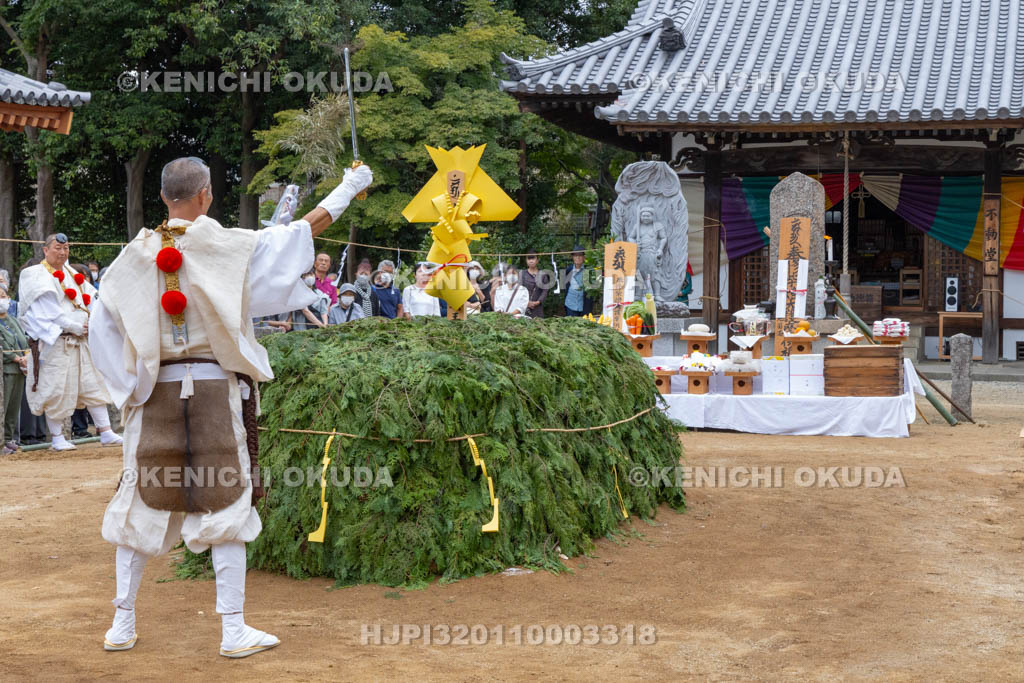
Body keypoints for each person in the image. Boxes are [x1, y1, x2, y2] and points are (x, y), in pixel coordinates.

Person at [88, 155, 372, 658]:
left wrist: (133, 387)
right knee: (226, 500)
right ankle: (233, 629)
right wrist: (350, 185)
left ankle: (120, 623)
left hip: (156, 394)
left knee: (140, 499)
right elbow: (302, 233)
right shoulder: (227, 247)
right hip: (218, 391)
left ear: (162, 198)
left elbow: (101, 328)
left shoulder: (130, 259)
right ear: (207, 196)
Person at [18, 233, 122, 451]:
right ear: (45, 250)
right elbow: (47, 311)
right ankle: (57, 437)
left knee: (93, 384)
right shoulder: (34, 274)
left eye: (66, 249)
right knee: (56, 388)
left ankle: (105, 431)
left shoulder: (72, 273)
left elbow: (92, 298)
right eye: (58, 248)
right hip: (56, 341)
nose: (63, 252)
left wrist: (93, 322)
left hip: (82, 341)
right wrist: (74, 326)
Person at [0, 283, 29, 453]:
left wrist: (25, 356)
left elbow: (23, 338)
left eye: (3, 296)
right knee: (3, 406)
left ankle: (9, 438)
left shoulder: (12, 319)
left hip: (19, 369)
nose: (1, 300)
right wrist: (15, 358)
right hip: (6, 368)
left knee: (13, 406)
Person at [520, 249, 551, 318]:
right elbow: (519, 290)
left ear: (537, 260)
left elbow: (545, 291)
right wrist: (527, 302)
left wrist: (538, 302)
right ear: (526, 260)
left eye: (533, 258)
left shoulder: (543, 275)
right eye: (529, 258)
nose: (531, 261)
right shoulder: (522, 274)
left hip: (538, 308)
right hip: (524, 306)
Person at [563, 245, 591, 317]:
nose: (578, 257)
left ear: (584, 257)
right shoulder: (568, 270)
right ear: (573, 257)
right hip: (570, 304)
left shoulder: (589, 270)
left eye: (580, 255)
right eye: (575, 255)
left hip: (584, 305)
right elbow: (564, 286)